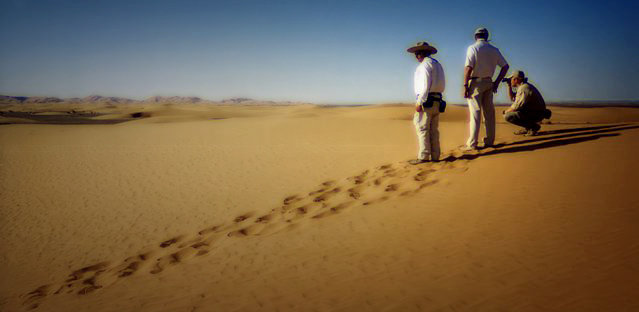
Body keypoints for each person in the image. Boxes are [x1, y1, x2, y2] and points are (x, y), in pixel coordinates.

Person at [463, 27, 509, 150]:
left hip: (476, 83)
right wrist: (497, 82)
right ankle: (489, 141)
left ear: (475, 36)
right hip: (489, 82)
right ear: (487, 36)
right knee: (489, 113)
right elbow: (505, 66)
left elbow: (468, 68)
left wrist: (465, 86)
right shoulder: (494, 49)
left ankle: (472, 143)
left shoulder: (473, 48)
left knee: (475, 113)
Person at [406, 41, 446, 165]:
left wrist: (419, 102)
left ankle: (423, 156)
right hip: (437, 99)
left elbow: (424, 85)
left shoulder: (424, 65)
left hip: (427, 100)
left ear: (420, 54)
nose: (416, 56)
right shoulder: (437, 64)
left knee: (422, 128)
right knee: (433, 129)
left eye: (416, 53)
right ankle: (435, 155)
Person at [503, 70, 548, 136]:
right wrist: (509, 86)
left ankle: (533, 127)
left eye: (511, 79)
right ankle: (528, 128)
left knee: (508, 116)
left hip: (537, 113)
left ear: (516, 79)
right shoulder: (523, 86)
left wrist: (506, 112)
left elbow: (517, 106)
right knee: (514, 112)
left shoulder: (524, 88)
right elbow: (513, 98)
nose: (510, 80)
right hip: (535, 112)